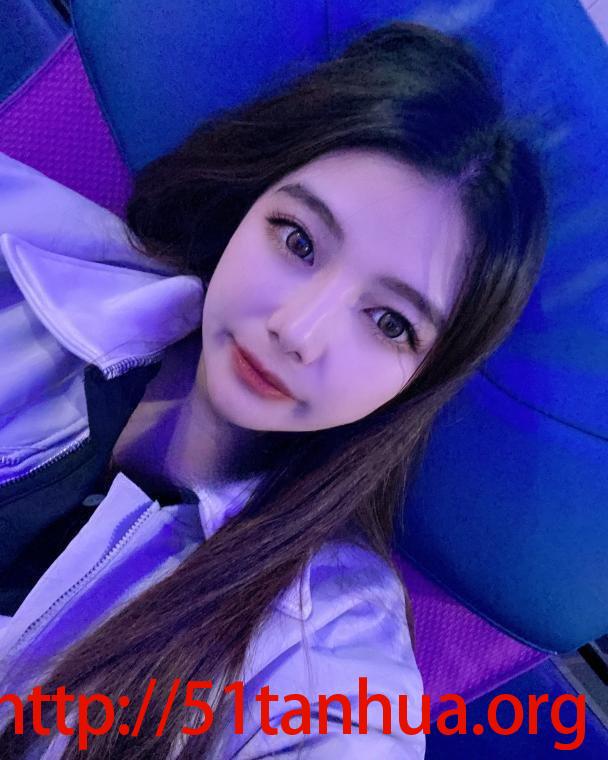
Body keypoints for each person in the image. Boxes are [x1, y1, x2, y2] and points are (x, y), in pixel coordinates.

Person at [0, 20, 548, 758]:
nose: (298, 330)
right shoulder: (24, 255)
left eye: (389, 322)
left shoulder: (331, 657)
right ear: (249, 203)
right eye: (298, 241)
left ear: (423, 379)